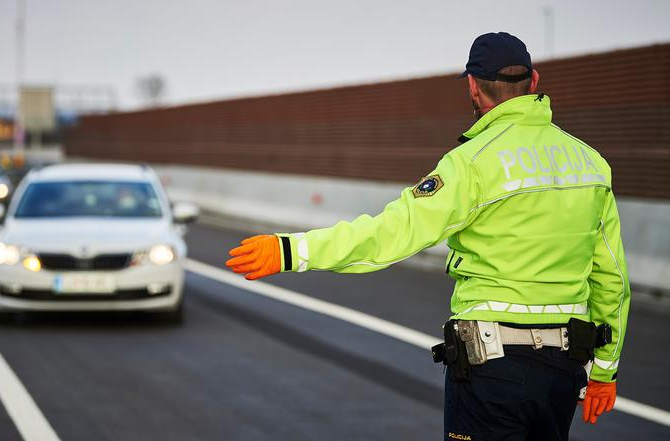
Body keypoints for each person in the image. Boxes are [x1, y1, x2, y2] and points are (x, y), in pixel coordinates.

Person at [225, 32, 630, 441]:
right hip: (564, 370)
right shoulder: (591, 164)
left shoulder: (472, 163)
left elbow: (393, 232)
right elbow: (611, 277)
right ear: (534, 81)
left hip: (493, 368)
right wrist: (605, 371)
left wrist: (292, 250)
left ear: (473, 86)